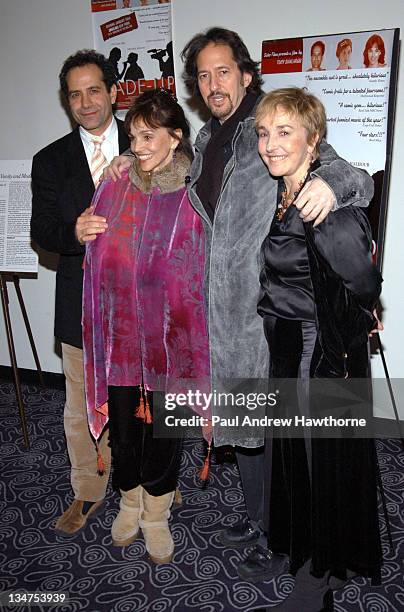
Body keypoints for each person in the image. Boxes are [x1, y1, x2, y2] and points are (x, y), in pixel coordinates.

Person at [104, 27, 374, 582]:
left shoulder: (269, 124)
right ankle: (258, 521)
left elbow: (351, 173)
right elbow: (168, 175)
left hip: (261, 312)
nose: (212, 83)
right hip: (214, 313)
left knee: (273, 435)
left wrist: (333, 187)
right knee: (243, 428)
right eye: (202, 75)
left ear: (246, 74)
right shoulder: (206, 139)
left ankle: (282, 535)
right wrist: (125, 165)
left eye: (223, 70)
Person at [256, 87, 382, 611]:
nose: (270, 144)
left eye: (284, 132)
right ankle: (306, 551)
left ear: (313, 140)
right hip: (287, 346)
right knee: (298, 460)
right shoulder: (280, 193)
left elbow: (364, 281)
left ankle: (320, 577)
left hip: (316, 354)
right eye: (264, 133)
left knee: (317, 463)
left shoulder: (322, 202)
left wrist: (354, 322)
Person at [82, 89, 209, 564]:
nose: (138, 145)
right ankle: (129, 500)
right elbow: (95, 243)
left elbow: (203, 265)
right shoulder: (116, 183)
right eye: (133, 135)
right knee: (126, 431)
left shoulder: (193, 191)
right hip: (121, 339)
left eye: (149, 135)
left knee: (166, 431)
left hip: (172, 340)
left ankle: (157, 512)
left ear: (175, 137)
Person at [31, 50, 130, 535]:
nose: (86, 102)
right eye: (75, 94)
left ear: (113, 92)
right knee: (79, 408)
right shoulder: (49, 160)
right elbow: (42, 230)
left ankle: (150, 482)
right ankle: (88, 492)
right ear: (67, 101)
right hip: (80, 305)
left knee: (142, 400)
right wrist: (72, 231)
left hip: (141, 305)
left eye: (95, 90)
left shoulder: (149, 138)